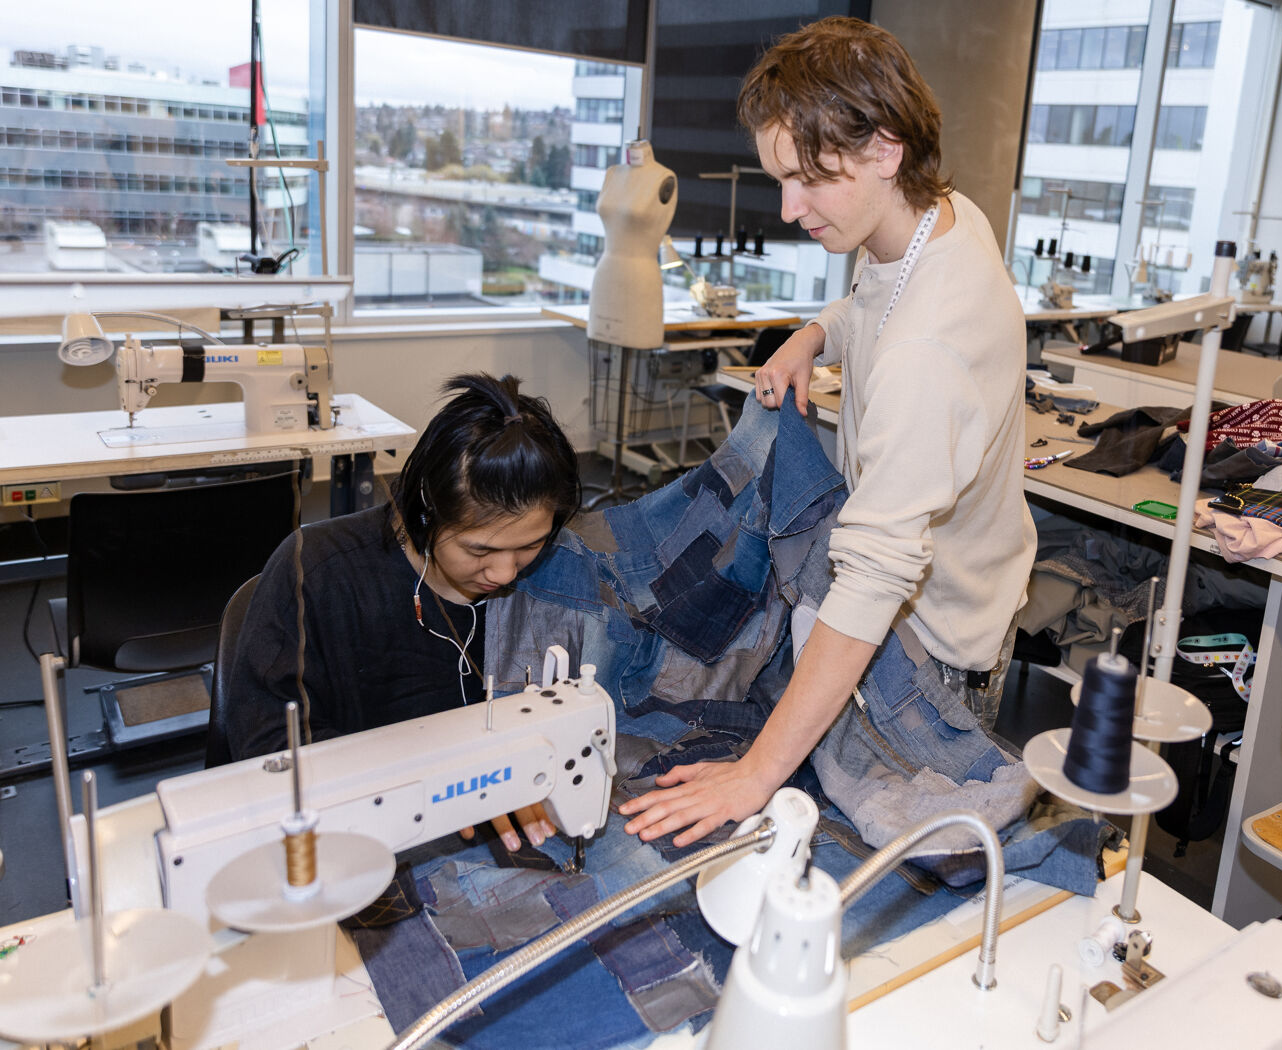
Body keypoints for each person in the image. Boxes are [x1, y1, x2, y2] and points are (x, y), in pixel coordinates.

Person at [619, 16, 1036, 847]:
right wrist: (816, 334)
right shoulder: (934, 219)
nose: (789, 208)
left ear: (886, 149)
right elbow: (871, 304)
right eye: (780, 177)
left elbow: (875, 578)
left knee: (872, 872)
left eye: (810, 178)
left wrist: (755, 773)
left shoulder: (930, 351)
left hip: (927, 656)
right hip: (896, 612)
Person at [225, 372, 581, 851]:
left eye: (530, 545)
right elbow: (272, 751)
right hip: (360, 835)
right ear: (426, 510)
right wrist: (446, 779)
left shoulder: (560, 575)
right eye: (479, 551)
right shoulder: (318, 574)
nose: (504, 573)